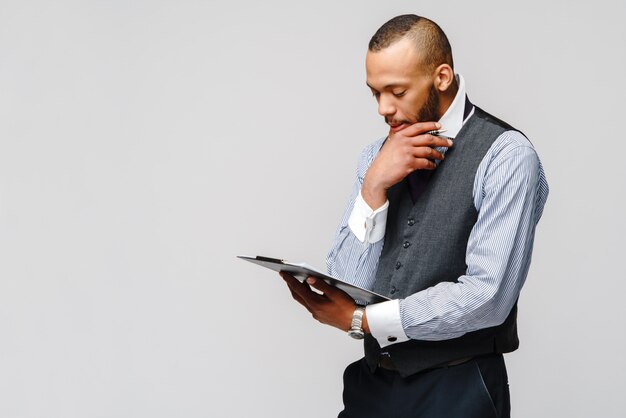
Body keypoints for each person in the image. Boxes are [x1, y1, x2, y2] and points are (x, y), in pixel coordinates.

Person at [281, 14, 548, 418]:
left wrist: (364, 322)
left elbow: (487, 297)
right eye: (375, 93)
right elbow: (352, 282)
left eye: (397, 91)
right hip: (373, 387)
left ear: (442, 77)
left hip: (458, 390)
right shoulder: (376, 158)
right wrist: (373, 188)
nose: (384, 108)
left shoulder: (506, 157)